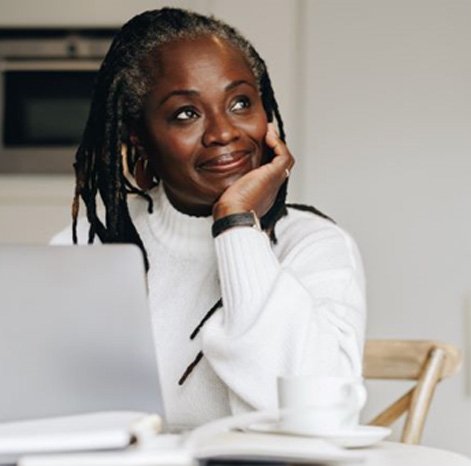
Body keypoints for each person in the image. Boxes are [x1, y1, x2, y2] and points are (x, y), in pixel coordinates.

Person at [52, 7, 366, 431]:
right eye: (186, 113)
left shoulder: (312, 245)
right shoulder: (88, 244)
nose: (223, 132)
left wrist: (236, 225)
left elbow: (318, 417)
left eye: (240, 102)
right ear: (138, 139)